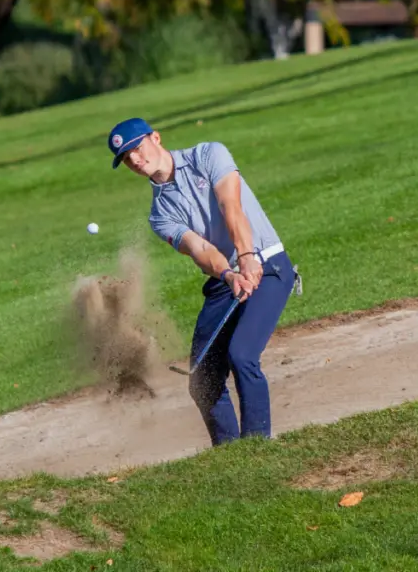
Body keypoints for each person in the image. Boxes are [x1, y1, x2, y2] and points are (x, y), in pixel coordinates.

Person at [107, 117, 299, 446]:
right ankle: (229, 454)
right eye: (127, 158)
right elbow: (200, 249)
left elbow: (231, 207)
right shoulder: (160, 214)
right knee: (202, 379)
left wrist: (247, 256)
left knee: (241, 355)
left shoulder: (209, 155)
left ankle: (257, 448)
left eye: (137, 149)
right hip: (225, 280)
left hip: (267, 264)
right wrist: (229, 274)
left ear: (155, 137)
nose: (135, 160)